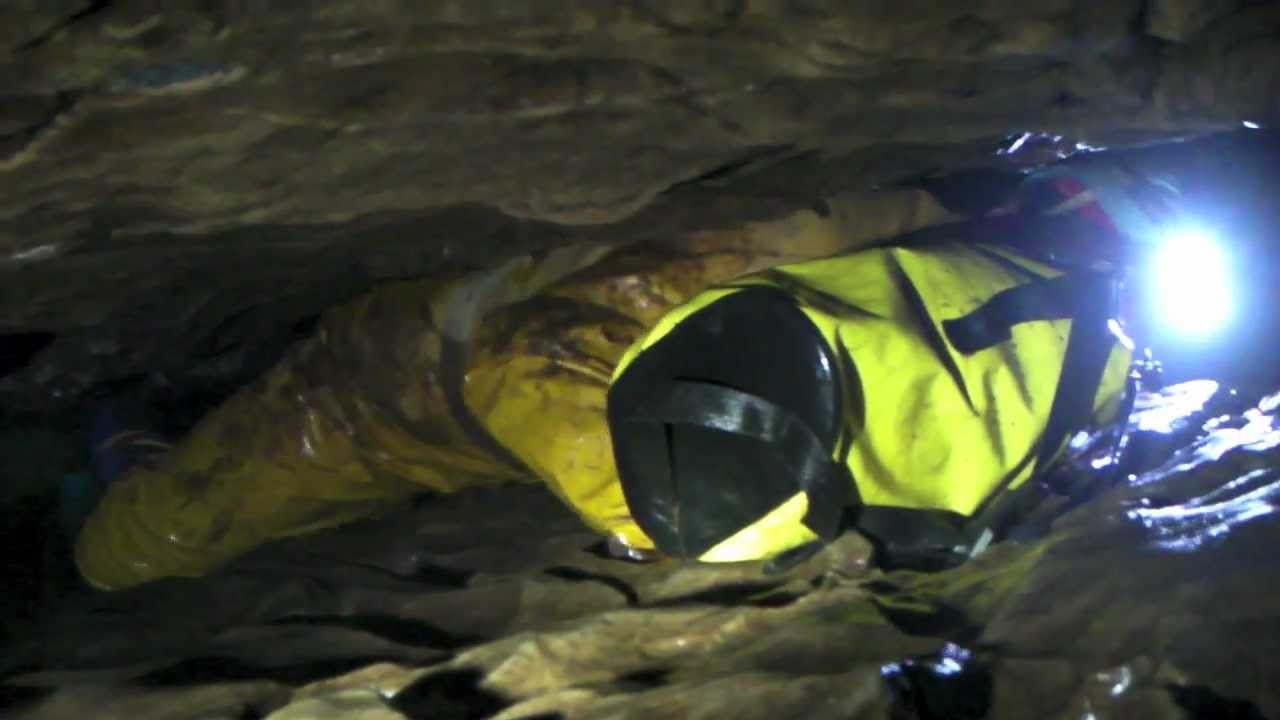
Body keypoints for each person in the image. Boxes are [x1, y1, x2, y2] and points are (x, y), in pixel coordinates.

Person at [74, 163, 1179, 590]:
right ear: (1040, 209)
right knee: (138, 547)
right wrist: (672, 513)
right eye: (1089, 242)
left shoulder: (994, 301)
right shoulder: (840, 232)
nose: (1086, 277)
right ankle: (124, 445)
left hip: (525, 422)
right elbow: (523, 357)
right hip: (403, 387)